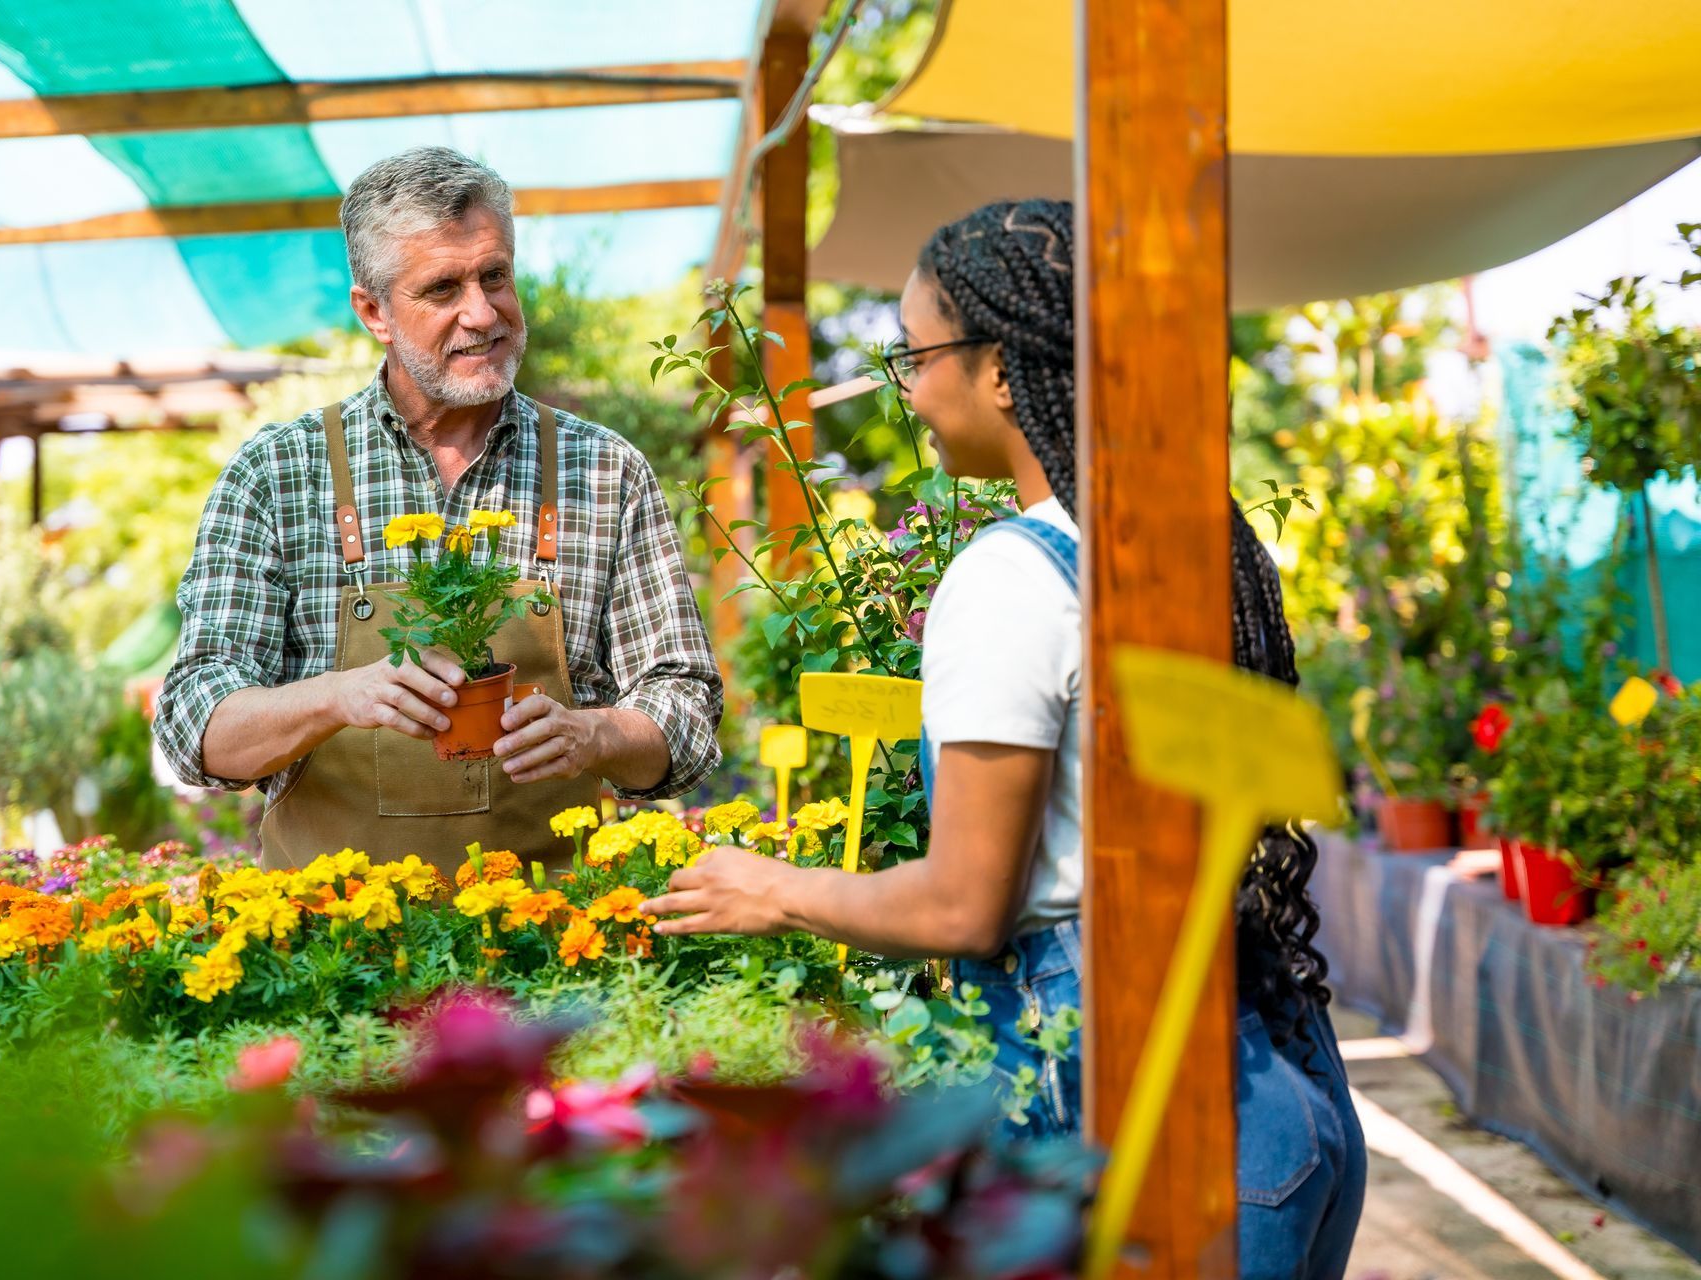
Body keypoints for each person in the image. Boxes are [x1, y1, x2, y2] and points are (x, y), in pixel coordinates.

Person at [642, 200, 1365, 1278]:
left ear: (996, 368)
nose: (910, 391)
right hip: (1275, 1095)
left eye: (915, 354)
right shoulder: (1171, 545)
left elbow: (962, 903)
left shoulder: (1008, 578)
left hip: (1124, 1117)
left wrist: (770, 889)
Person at [153, 146, 722, 872]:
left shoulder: (604, 472)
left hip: (553, 951)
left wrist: (597, 734)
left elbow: (687, 712)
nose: (482, 313)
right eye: (442, 288)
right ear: (374, 311)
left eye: (495, 276)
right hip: (332, 949)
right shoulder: (278, 473)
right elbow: (195, 726)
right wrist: (336, 698)